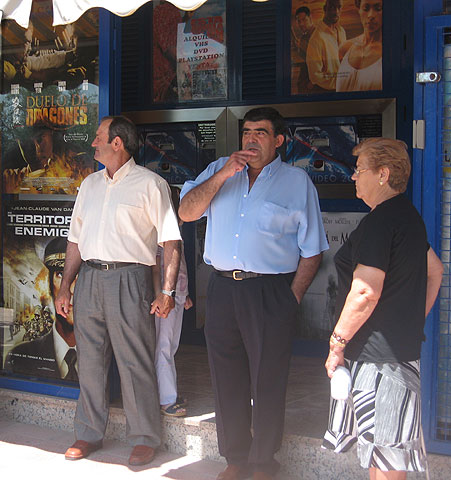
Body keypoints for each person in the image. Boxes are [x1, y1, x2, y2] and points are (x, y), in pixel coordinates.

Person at [179, 107, 328, 480]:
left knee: (268, 379)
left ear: (279, 140)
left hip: (270, 291)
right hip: (223, 288)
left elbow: (312, 250)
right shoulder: (219, 170)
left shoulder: (296, 183)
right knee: (226, 377)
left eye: (261, 133)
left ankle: (263, 463)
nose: (250, 139)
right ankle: (235, 458)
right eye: (247, 132)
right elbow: (186, 212)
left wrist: (290, 298)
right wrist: (225, 173)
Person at [55, 115, 182, 467]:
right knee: (90, 360)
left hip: (130, 278)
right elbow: (75, 241)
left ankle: (144, 437)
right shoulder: (89, 185)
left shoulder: (150, 184)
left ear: (117, 143)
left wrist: (167, 292)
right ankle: (88, 433)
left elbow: (171, 241)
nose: (92, 143)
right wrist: (66, 286)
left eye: (98, 138)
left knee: (134, 360)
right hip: (90, 279)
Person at [323, 138, 443, 479]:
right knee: (381, 453)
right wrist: (410, 316)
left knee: (387, 457)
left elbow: (364, 291)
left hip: (380, 361)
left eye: (359, 170)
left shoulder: (381, 222)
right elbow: (436, 270)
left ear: (383, 174)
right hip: (390, 353)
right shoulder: (407, 217)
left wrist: (338, 343)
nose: (353, 177)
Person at [4, 237, 78, 381]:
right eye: (60, 275)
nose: (72, 288)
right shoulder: (20, 356)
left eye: (80, 276)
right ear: (48, 283)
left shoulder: (105, 355)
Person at [152, 186, 193, 417]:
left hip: (176, 297)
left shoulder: (175, 230)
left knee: (170, 346)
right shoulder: (160, 232)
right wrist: (162, 295)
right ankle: (166, 399)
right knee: (164, 347)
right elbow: (156, 269)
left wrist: (183, 296)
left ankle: (170, 392)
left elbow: (181, 268)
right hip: (166, 299)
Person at [336, 0, 382, 92]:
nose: (371, 15)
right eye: (366, 8)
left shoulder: (389, 51)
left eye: (378, 9)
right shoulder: (345, 48)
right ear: (359, 10)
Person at [306, 0, 346, 92]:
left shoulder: (341, 31)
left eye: (339, 7)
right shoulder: (316, 39)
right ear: (325, 9)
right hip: (327, 93)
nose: (336, 11)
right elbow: (315, 76)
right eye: (332, 7)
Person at [293, 6, 316, 93]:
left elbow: (322, 59)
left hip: (312, 84)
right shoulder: (303, 37)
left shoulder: (318, 35)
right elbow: (304, 58)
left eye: (304, 20)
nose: (301, 24)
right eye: (299, 21)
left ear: (310, 18)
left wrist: (313, 82)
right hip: (304, 81)